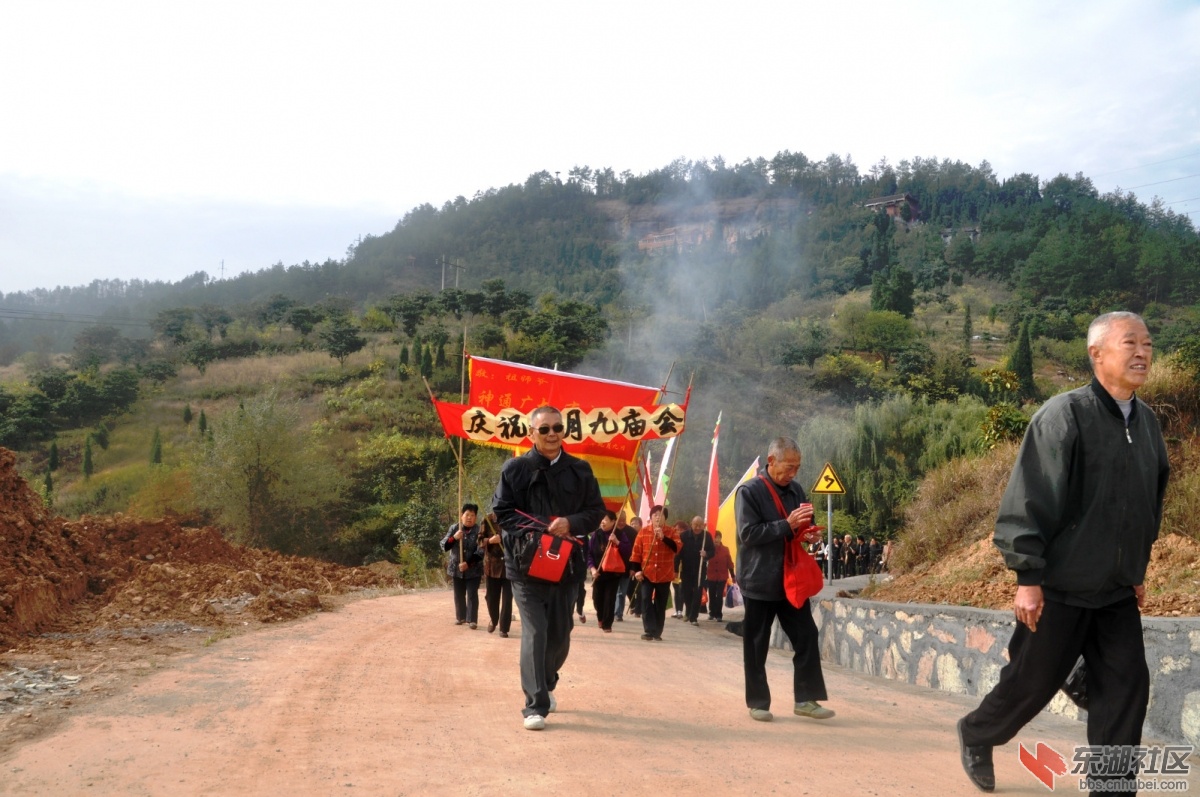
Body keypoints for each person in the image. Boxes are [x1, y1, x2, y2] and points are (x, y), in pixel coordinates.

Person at [956, 312, 1170, 794]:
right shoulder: (1064, 415)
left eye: (1148, 345)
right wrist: (1027, 577)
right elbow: (1029, 499)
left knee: (1124, 690)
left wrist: (1135, 568)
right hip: (1059, 587)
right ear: (1096, 354)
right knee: (1030, 686)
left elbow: (1146, 506)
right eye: (1129, 343)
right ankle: (977, 732)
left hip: (1114, 592)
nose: (1141, 353)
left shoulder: (1149, 424)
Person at [493, 406, 606, 732]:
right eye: (544, 429)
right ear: (532, 434)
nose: (552, 433)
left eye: (558, 427)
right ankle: (534, 705)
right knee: (536, 630)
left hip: (567, 566)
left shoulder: (580, 470)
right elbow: (503, 512)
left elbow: (596, 511)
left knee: (560, 633)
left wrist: (570, 522)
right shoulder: (515, 469)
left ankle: (547, 679)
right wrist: (540, 529)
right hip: (525, 565)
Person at [736, 437, 834, 723]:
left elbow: (799, 527)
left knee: (806, 635)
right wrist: (787, 524)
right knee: (757, 644)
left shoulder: (796, 490)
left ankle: (806, 699)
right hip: (758, 579)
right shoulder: (749, 491)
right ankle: (758, 702)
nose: (793, 473)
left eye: (797, 468)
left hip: (790, 579)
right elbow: (748, 535)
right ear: (771, 461)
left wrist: (808, 533)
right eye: (789, 467)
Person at [629, 505, 682, 641]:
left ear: (665, 518)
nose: (658, 517)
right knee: (646, 600)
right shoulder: (643, 532)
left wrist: (663, 537)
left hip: (665, 574)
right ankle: (649, 630)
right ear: (651, 517)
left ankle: (657, 631)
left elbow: (677, 547)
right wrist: (637, 571)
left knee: (660, 603)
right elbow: (636, 553)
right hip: (647, 573)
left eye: (661, 515)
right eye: (655, 515)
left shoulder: (672, 532)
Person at [587, 511, 633, 632]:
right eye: (602, 519)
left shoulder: (619, 534)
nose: (603, 521)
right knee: (597, 599)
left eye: (606, 519)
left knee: (609, 598)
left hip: (613, 573)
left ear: (613, 522)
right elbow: (589, 554)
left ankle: (607, 624)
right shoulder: (595, 535)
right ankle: (600, 617)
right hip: (598, 573)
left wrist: (617, 542)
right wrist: (592, 569)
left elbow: (628, 551)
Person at [441, 503, 483, 629]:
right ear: (461, 516)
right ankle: (460, 617)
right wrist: (454, 538)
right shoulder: (455, 528)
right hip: (456, 568)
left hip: (473, 569)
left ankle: (472, 619)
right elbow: (444, 545)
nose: (469, 518)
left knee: (472, 594)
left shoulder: (479, 530)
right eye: (467, 515)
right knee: (459, 594)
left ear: (476, 517)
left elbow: (481, 551)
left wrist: (468, 563)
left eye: (472, 515)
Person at [480, 512, 513, 638]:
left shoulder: (513, 518)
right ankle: (494, 619)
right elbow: (479, 541)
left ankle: (504, 628)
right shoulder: (487, 520)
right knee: (491, 597)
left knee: (507, 599)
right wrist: (490, 540)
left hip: (510, 565)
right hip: (492, 566)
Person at [679, 516, 715, 625]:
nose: (698, 527)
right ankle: (688, 611)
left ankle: (694, 617)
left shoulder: (706, 536)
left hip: (700, 569)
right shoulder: (684, 536)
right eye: (696, 525)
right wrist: (675, 568)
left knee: (698, 592)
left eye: (700, 525)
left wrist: (706, 554)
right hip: (686, 568)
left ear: (703, 525)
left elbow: (712, 551)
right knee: (686, 592)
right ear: (691, 524)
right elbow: (678, 553)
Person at [705, 530, 735, 622]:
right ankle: (711, 613)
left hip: (722, 576)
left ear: (720, 538)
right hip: (711, 575)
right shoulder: (708, 550)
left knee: (720, 595)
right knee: (712, 594)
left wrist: (733, 575)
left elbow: (729, 563)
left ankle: (719, 614)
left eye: (718, 537)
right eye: (714, 537)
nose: (716, 539)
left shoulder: (725, 549)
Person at [613, 511, 634, 622]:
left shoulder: (632, 532)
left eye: (623, 520)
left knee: (621, 592)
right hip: (611, 567)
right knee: (612, 591)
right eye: (619, 520)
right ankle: (611, 611)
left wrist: (633, 568)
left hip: (626, 566)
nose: (621, 523)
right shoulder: (610, 531)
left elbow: (635, 552)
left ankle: (618, 613)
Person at [625, 516, 644, 618]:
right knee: (628, 588)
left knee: (639, 588)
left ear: (640, 525)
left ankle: (638, 610)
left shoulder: (643, 535)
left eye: (635, 524)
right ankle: (633, 604)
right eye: (632, 524)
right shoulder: (629, 535)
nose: (633, 525)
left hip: (641, 566)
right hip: (631, 565)